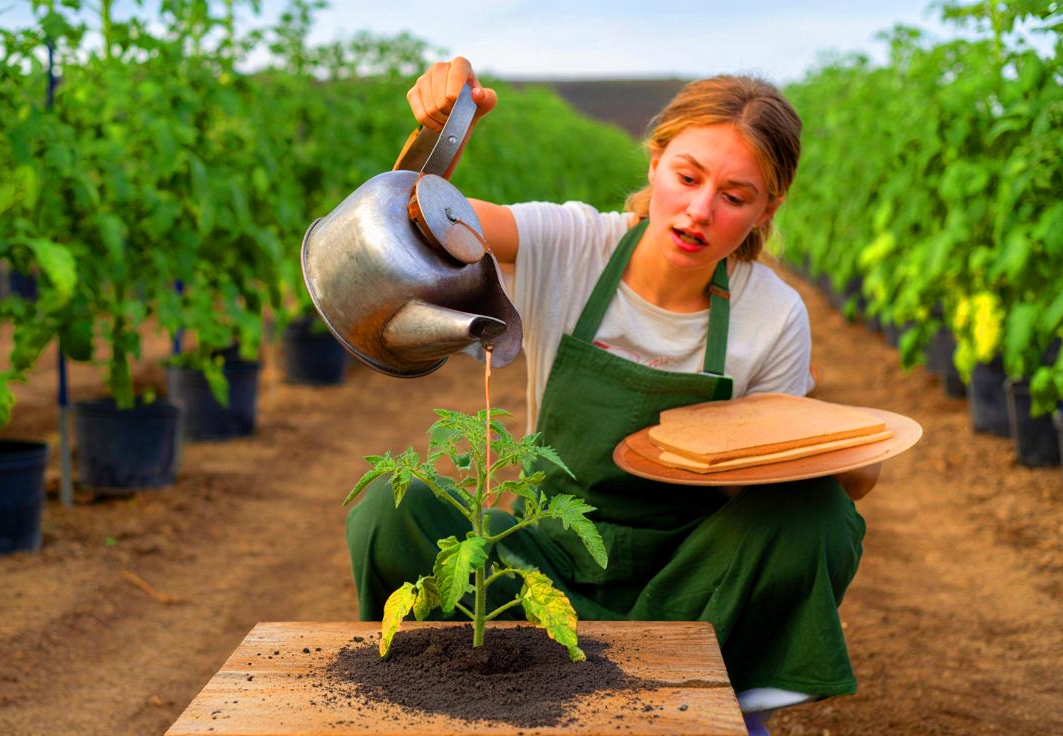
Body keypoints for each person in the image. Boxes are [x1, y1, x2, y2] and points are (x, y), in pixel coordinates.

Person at [346, 57, 879, 734]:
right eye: (688, 177)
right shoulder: (571, 243)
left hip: (685, 583)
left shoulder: (772, 315)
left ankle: (715, 698)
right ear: (655, 162)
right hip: (542, 566)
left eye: (735, 196)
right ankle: (449, 691)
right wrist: (440, 134)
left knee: (816, 516)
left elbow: (776, 485)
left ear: (766, 209)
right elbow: (415, 218)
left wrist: (838, 461)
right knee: (393, 509)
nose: (700, 211)